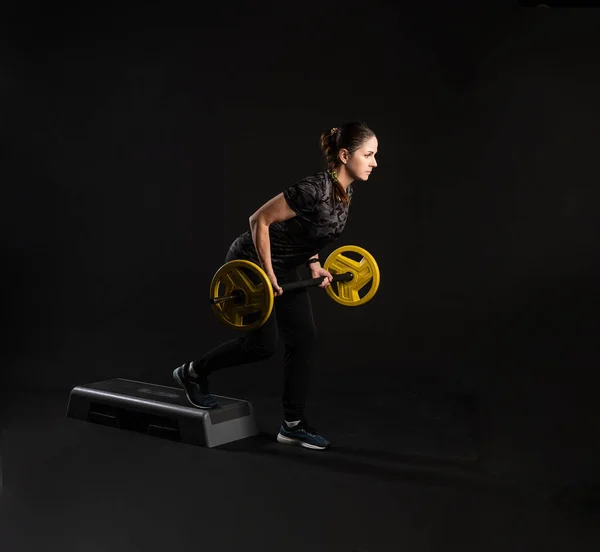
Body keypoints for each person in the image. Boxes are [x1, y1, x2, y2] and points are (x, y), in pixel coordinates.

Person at [173, 121, 378, 450]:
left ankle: (292, 424)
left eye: (374, 155)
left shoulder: (344, 192)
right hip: (252, 264)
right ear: (344, 155)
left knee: (304, 340)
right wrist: (268, 273)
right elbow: (259, 220)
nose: (374, 162)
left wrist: (315, 265)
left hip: (282, 267)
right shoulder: (314, 188)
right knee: (262, 346)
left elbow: (305, 232)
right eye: (368, 155)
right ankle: (193, 372)